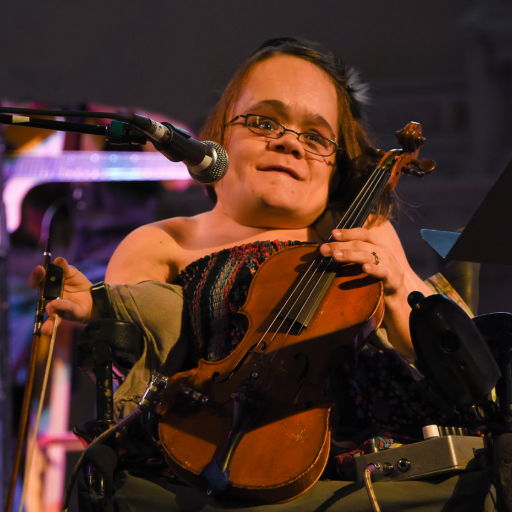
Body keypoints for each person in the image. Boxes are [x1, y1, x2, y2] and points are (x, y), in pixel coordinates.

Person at [30, 38, 495, 511]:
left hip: (356, 483)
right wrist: (98, 306)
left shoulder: (359, 232)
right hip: (199, 472)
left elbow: (467, 370)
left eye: (316, 137)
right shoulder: (162, 242)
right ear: (219, 139)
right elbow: (131, 387)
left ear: (335, 169)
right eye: (264, 122)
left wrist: (397, 286)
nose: (290, 142)